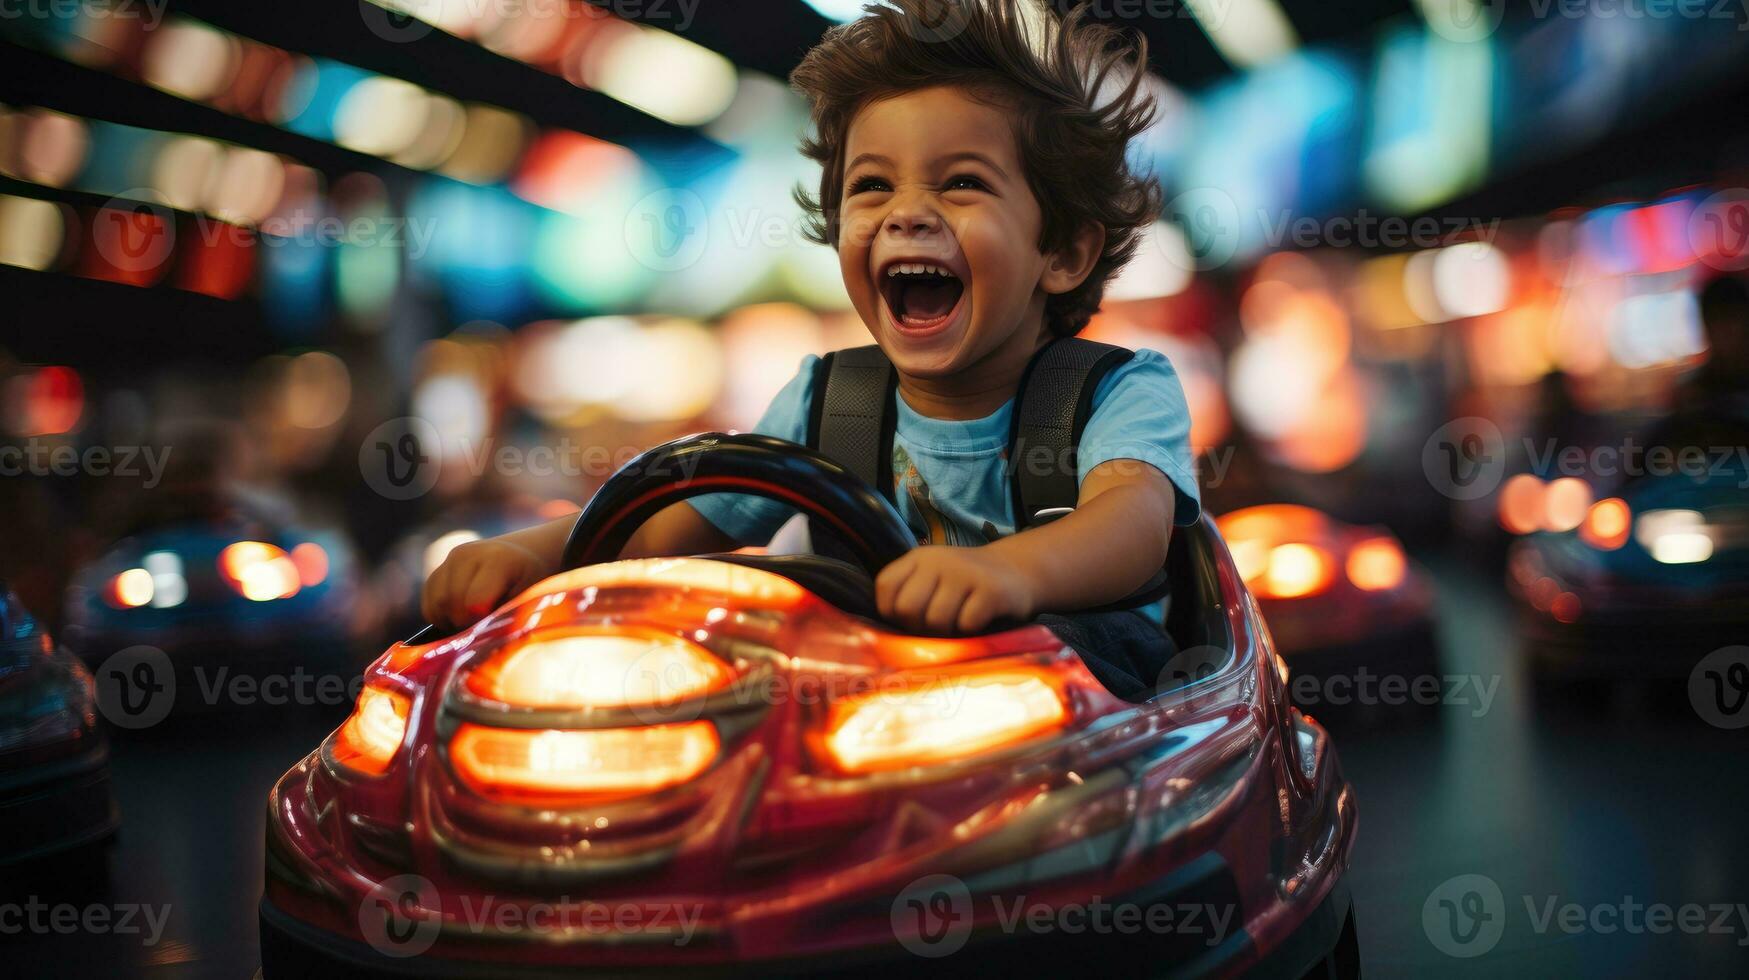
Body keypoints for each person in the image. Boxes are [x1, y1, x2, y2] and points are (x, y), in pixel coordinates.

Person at [422, 0, 1201, 694]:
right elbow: (672, 530)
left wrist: (1006, 574)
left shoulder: (1115, 390)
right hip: (867, 701)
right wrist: (541, 552)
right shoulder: (828, 401)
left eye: (960, 182)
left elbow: (1129, 527)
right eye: (871, 187)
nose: (904, 215)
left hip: (1082, 694)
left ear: (1061, 251)